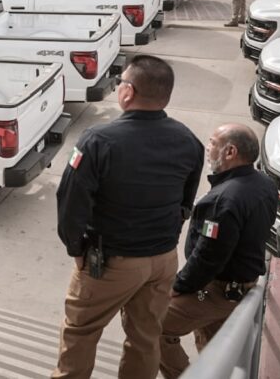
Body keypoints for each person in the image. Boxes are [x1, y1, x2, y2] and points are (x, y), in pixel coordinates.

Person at [53, 54, 204, 379]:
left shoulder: (98, 141)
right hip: (162, 260)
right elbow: (185, 203)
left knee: (80, 333)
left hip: (110, 262)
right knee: (146, 338)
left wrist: (76, 249)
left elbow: (70, 204)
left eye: (120, 82)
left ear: (128, 91)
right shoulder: (189, 141)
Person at [159, 124, 277, 378]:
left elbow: (208, 257)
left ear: (230, 151)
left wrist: (178, 287)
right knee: (214, 345)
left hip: (211, 293)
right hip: (236, 287)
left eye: (213, 143)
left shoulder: (224, 200)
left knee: (155, 325)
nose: (209, 148)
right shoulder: (265, 184)